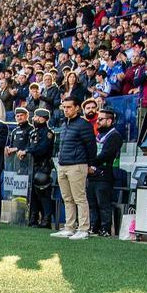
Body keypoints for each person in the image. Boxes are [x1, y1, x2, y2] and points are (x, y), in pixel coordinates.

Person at [50, 97, 97, 240]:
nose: (66, 110)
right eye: (64, 107)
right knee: (67, 198)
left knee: (80, 198)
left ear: (77, 108)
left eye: (69, 107)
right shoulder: (64, 124)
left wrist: (90, 165)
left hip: (77, 165)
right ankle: (69, 227)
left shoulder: (84, 125)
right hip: (63, 164)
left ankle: (83, 229)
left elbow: (91, 146)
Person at [87, 108, 123, 237]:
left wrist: (90, 163)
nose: (98, 122)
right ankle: (94, 227)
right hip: (93, 174)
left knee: (103, 204)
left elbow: (106, 154)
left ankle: (105, 229)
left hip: (105, 173)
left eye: (100, 119)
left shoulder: (115, 136)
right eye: (97, 120)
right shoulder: (98, 135)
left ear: (109, 120)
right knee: (92, 203)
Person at [26, 109, 56, 228]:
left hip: (43, 166)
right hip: (32, 165)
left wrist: (28, 151)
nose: (34, 119)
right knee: (33, 193)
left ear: (43, 118)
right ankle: (33, 218)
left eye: (37, 117)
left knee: (43, 194)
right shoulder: (33, 132)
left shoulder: (48, 133)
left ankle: (46, 219)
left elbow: (42, 149)